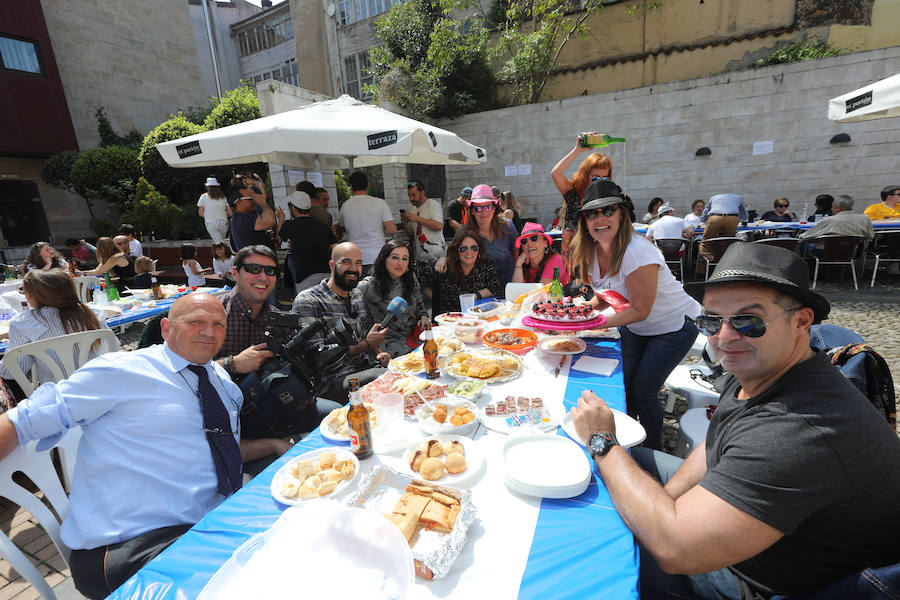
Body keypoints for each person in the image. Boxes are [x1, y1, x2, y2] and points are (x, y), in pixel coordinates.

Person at [571, 243, 900, 600]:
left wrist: (603, 442)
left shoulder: (800, 429)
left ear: (802, 321)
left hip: (755, 580)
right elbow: (712, 448)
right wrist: (659, 503)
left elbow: (673, 548)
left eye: (748, 321)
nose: (725, 337)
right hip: (747, 532)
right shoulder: (765, 370)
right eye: (711, 320)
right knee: (591, 478)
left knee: (588, 546)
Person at [0, 293, 253, 599]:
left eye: (218, 324)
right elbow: (20, 422)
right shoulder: (123, 371)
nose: (209, 332)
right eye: (196, 322)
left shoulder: (222, 382)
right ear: (165, 328)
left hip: (202, 526)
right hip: (129, 544)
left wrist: (276, 445)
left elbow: (221, 449)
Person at [568, 180, 700, 450]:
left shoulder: (637, 251)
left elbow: (640, 310)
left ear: (622, 214)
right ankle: (623, 442)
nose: (600, 218)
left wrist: (590, 323)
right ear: (584, 221)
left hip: (674, 326)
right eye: (592, 213)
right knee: (623, 387)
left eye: (608, 210)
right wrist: (579, 312)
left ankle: (650, 452)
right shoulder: (591, 250)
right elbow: (606, 294)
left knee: (643, 392)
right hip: (638, 326)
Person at [214, 245, 338, 471]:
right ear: (235, 273)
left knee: (337, 416)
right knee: (284, 469)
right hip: (234, 421)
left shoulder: (277, 318)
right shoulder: (216, 314)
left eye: (270, 271)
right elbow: (185, 369)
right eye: (254, 269)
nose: (263, 277)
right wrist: (232, 363)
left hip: (277, 403)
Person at [293, 242, 390, 402]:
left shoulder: (357, 295)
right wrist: (366, 344)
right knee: (385, 377)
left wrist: (379, 353)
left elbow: (368, 335)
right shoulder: (308, 300)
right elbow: (319, 357)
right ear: (332, 265)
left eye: (358, 263)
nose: (353, 268)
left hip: (366, 368)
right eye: (346, 262)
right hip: (332, 381)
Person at [0, 269, 118, 391]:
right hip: (105, 388)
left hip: (59, 397)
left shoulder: (23, 323)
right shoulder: (93, 313)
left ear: (34, 295)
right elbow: (113, 347)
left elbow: (11, 372)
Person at [357, 240, 429, 357]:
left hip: (415, 336)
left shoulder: (410, 278)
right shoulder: (367, 286)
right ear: (384, 259)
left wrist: (424, 316)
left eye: (405, 259)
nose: (400, 263)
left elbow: (420, 304)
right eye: (395, 257)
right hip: (389, 345)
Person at [550, 135, 613, 259]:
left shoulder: (608, 195)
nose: (599, 181)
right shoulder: (572, 190)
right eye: (595, 178)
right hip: (575, 250)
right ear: (585, 175)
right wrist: (578, 150)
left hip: (599, 249)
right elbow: (555, 173)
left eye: (604, 178)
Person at [336, 171, 396, 273]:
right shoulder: (380, 203)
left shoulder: (345, 206)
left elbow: (339, 230)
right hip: (378, 256)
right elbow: (392, 230)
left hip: (355, 258)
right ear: (368, 184)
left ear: (351, 186)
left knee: (359, 289)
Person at [276, 190, 335, 292]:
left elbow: (278, 240)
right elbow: (335, 247)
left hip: (305, 278)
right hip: (327, 276)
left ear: (293, 208)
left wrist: (281, 219)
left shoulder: (289, 225)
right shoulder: (323, 226)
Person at [432, 230, 502, 315]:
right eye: (463, 249)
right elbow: (416, 276)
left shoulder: (485, 264)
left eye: (474, 248)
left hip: (478, 317)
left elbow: (496, 288)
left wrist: (475, 296)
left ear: (479, 250)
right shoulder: (445, 266)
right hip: (449, 320)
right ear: (457, 251)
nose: (469, 252)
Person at [463, 184, 518, 287]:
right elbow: (453, 255)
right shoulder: (465, 233)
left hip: (510, 287)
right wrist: (443, 260)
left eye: (488, 207)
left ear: (494, 208)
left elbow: (516, 252)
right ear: (472, 211)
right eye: (478, 208)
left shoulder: (507, 226)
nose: (483, 212)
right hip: (482, 292)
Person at [402, 180, 446, 266]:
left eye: (414, 195)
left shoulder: (433, 205)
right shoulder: (413, 209)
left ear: (422, 193)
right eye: (409, 195)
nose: (411, 198)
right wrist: (405, 223)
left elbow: (439, 226)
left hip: (437, 257)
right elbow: (411, 234)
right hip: (420, 259)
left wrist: (417, 218)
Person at [228, 174, 276, 252]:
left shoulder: (233, 221)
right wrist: (262, 203)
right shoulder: (245, 218)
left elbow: (234, 247)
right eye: (251, 198)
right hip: (257, 262)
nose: (254, 200)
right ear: (238, 202)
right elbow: (271, 221)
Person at [799, 194, 875, 242]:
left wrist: (800, 236)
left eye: (833, 206)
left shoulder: (829, 220)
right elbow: (871, 236)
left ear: (839, 208)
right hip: (854, 253)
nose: (831, 208)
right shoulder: (864, 219)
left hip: (828, 252)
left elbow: (807, 235)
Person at [197, 177, 232, 243]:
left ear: (207, 187)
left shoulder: (203, 197)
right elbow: (230, 213)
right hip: (223, 223)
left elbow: (200, 213)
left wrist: (210, 214)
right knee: (220, 244)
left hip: (211, 223)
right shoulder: (223, 197)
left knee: (220, 244)